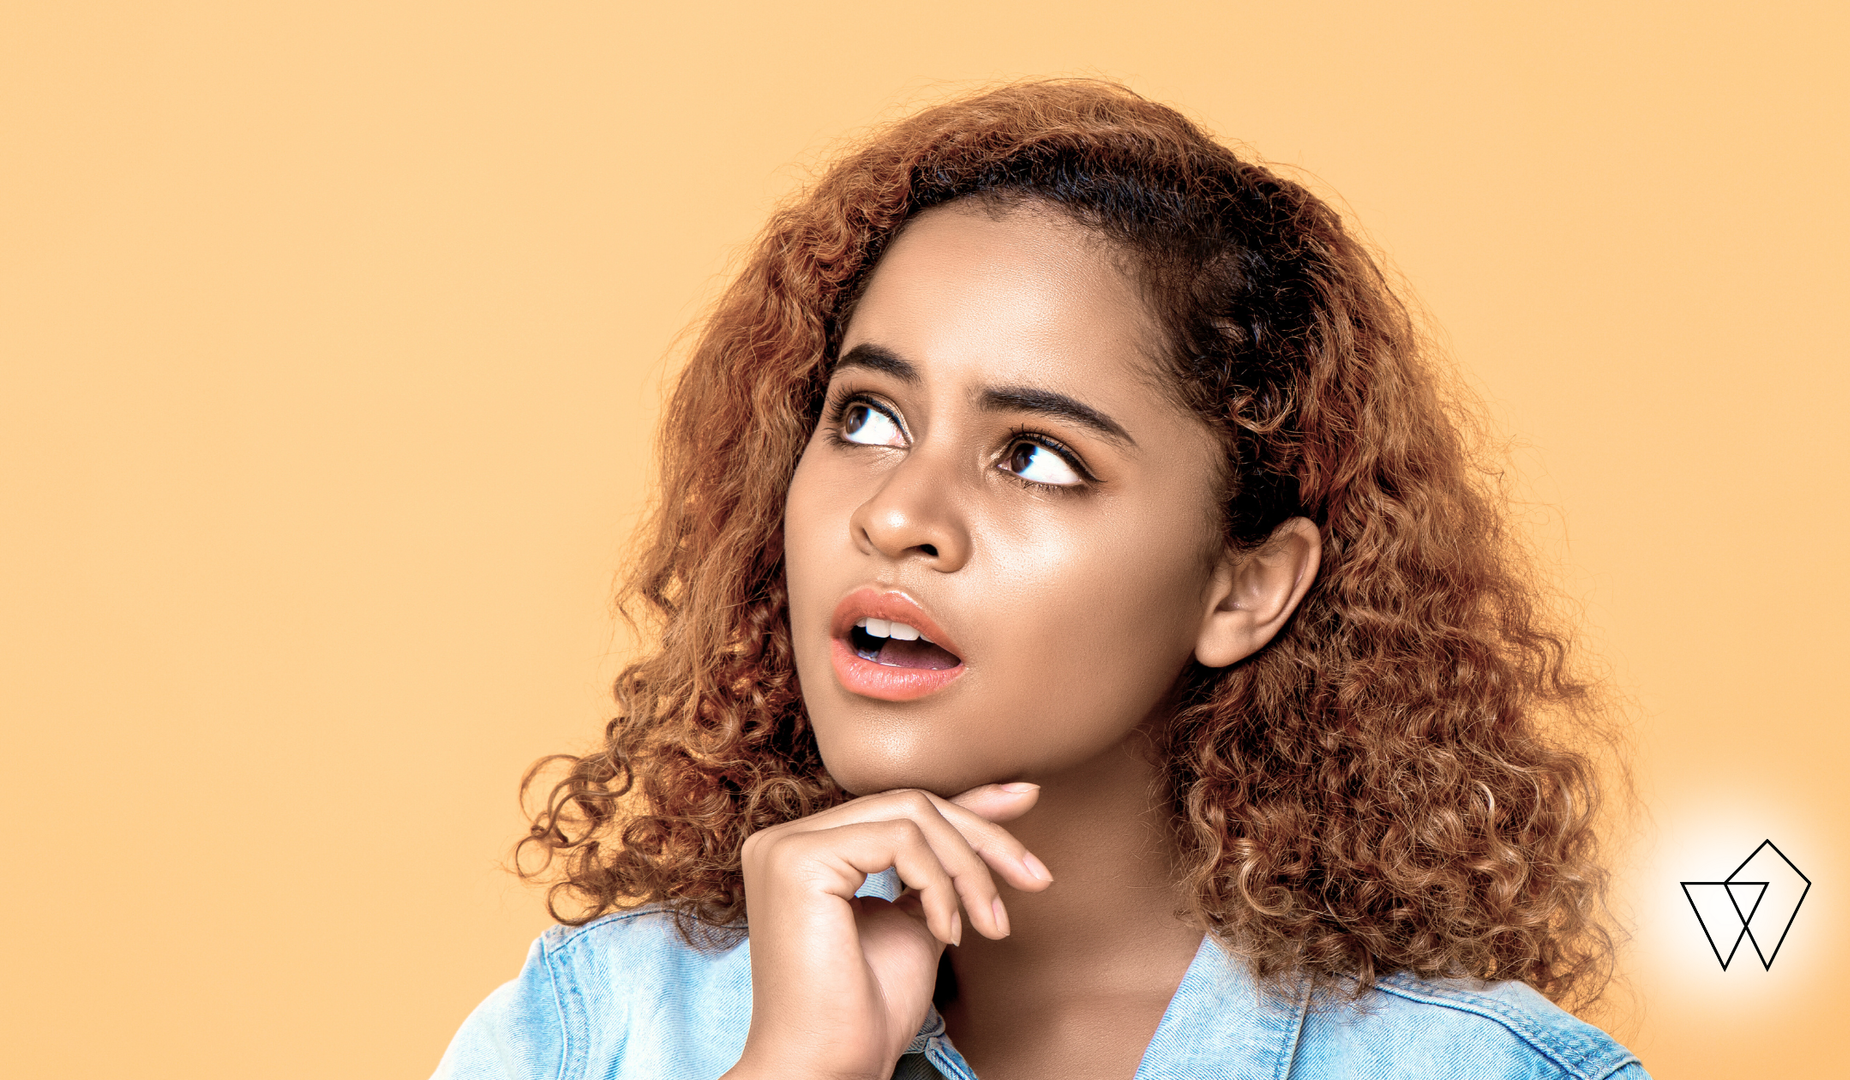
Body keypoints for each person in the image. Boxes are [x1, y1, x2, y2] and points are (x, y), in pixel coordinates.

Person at [433, 80, 1648, 1080]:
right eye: (864, 416)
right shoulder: (591, 1034)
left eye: (1035, 455)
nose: (900, 512)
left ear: (1244, 587)